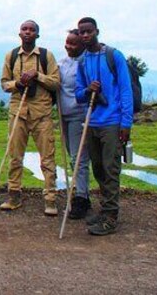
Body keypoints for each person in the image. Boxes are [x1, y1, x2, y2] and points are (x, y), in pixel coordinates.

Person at [75, 17, 133, 236]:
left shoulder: (113, 56)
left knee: (111, 168)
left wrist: (126, 122)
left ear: (97, 31)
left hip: (112, 121)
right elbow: (78, 95)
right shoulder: (82, 61)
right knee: (98, 168)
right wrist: (89, 90)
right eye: (81, 32)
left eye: (88, 31)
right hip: (92, 121)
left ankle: (110, 217)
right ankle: (105, 209)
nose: (85, 35)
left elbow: (125, 90)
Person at [0, 20, 61, 216]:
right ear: (19, 34)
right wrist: (18, 83)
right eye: (24, 29)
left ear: (37, 35)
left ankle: (50, 199)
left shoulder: (46, 56)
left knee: (48, 159)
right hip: (18, 112)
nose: (28, 32)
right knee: (15, 156)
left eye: (32, 30)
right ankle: (14, 195)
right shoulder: (11, 56)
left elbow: (56, 83)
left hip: (41, 114)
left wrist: (38, 76)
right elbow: (4, 84)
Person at [58, 29, 91, 220]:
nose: (69, 47)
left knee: (79, 158)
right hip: (64, 115)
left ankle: (81, 198)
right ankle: (80, 192)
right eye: (67, 42)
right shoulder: (62, 63)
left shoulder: (87, 63)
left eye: (73, 44)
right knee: (72, 156)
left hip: (80, 115)